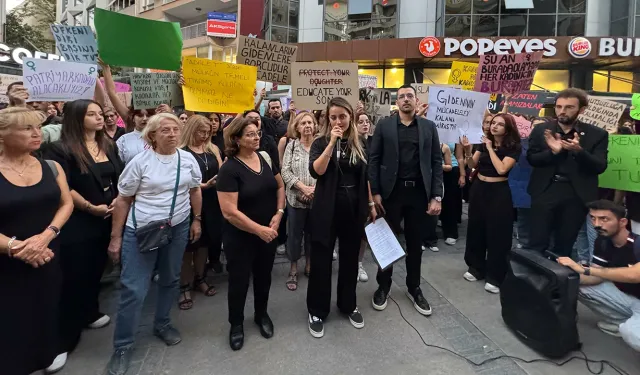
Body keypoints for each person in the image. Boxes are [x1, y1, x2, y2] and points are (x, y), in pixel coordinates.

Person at [105, 113, 203, 375]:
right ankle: (123, 345)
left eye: (176, 129)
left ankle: (162, 323)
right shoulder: (140, 162)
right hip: (142, 231)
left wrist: (196, 220)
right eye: (165, 130)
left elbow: (195, 190)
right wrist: (116, 238)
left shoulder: (187, 159)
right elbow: (123, 200)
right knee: (134, 289)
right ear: (152, 135)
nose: (172, 134)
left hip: (178, 226)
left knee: (170, 279)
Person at [44, 100, 123, 368]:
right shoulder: (60, 149)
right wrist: (91, 208)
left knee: (95, 271)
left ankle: (89, 312)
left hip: (108, 218)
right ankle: (63, 340)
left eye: (101, 113)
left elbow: (118, 178)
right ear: (77, 118)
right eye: (92, 114)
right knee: (73, 278)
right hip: (78, 222)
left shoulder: (108, 145)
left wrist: (116, 203)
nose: (100, 118)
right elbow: (63, 186)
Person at [0, 107, 74, 375]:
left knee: (46, 305)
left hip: (48, 252)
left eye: (37, 127)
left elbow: (66, 204)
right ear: (2, 135)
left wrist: (45, 237)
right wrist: (18, 248)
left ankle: (46, 352)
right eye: (26, 128)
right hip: (7, 261)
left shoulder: (51, 166)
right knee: (11, 315)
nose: (36, 133)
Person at [368, 84, 443, 315]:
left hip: (419, 194)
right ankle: (383, 285)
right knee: (387, 243)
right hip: (391, 194)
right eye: (401, 97)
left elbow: (436, 162)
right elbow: (374, 159)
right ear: (397, 102)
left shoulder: (429, 127)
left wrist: (436, 195)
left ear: (416, 99)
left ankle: (414, 287)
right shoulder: (385, 125)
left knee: (415, 244)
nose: (406, 100)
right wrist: (376, 192)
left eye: (410, 96)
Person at [306, 97, 377, 338]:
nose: (338, 121)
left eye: (343, 117)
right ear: (328, 118)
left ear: (351, 118)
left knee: (349, 261)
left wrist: (369, 203)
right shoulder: (320, 142)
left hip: (353, 210)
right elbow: (317, 171)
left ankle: (348, 304)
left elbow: (365, 177)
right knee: (322, 261)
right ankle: (317, 309)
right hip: (326, 210)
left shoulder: (360, 143)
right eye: (334, 117)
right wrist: (332, 142)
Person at [216, 117, 286, 351]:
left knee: (264, 276)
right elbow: (229, 212)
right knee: (239, 281)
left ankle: (261, 314)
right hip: (241, 237)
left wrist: (279, 212)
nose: (257, 137)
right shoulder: (229, 169)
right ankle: (236, 323)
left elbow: (279, 186)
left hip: (268, 232)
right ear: (236, 139)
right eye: (250, 134)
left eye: (257, 133)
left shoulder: (264, 158)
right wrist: (260, 230)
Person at [527, 88, 609, 256]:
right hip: (545, 190)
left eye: (569, 107)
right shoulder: (541, 130)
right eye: (558, 106)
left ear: (582, 110)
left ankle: (559, 280)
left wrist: (579, 151)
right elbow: (532, 159)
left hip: (576, 194)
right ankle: (534, 278)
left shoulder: (597, 134)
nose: (562, 111)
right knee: (537, 241)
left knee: (565, 244)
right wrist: (553, 153)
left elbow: (600, 166)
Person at [557, 200, 640, 351]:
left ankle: (629, 325)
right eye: (593, 218)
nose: (597, 224)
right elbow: (596, 277)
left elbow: (635, 275)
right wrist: (561, 276)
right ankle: (621, 322)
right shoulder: (603, 242)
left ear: (622, 222)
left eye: (604, 219)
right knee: (575, 284)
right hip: (630, 299)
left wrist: (586, 270)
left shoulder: (637, 244)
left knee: (631, 333)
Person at [461, 114, 521, 293]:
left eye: (500, 124)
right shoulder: (484, 142)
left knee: (498, 232)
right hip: (480, 188)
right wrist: (467, 152)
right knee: (476, 227)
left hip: (499, 191)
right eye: (493, 123)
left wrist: (490, 148)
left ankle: (495, 275)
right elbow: (472, 164)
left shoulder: (513, 147)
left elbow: (502, 168)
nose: (494, 126)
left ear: (508, 128)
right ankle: (476, 267)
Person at [177, 115, 223, 309]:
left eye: (207, 133)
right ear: (191, 130)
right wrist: (202, 185)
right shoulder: (181, 152)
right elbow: (180, 181)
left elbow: (221, 169)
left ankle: (200, 278)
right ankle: (184, 285)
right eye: (201, 132)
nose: (205, 136)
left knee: (205, 242)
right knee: (189, 246)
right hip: (189, 202)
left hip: (212, 202)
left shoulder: (212, 149)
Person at [281, 112, 317, 290]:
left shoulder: (320, 145)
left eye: (310, 122)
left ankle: (310, 265)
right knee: (295, 236)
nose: (307, 125)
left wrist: (314, 191)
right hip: (296, 200)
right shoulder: (292, 146)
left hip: (316, 200)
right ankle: (293, 269)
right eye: (303, 123)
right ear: (297, 127)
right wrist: (302, 188)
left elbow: (326, 170)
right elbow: (285, 172)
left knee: (312, 235)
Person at [100, 61, 155, 164]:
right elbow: (112, 94)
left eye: (148, 115)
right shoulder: (126, 136)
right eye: (139, 115)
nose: (144, 119)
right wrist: (106, 68)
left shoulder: (163, 130)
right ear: (133, 117)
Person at [355, 111, 373, 281]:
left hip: (370, 191)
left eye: (367, 121)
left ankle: (359, 263)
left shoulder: (374, 142)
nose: (365, 124)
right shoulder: (351, 143)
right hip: (355, 192)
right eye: (360, 121)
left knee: (364, 231)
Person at [440, 141, 463, 245]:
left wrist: (462, 175)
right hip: (432, 168)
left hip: (451, 169)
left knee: (450, 202)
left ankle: (451, 233)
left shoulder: (455, 133)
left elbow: (459, 157)